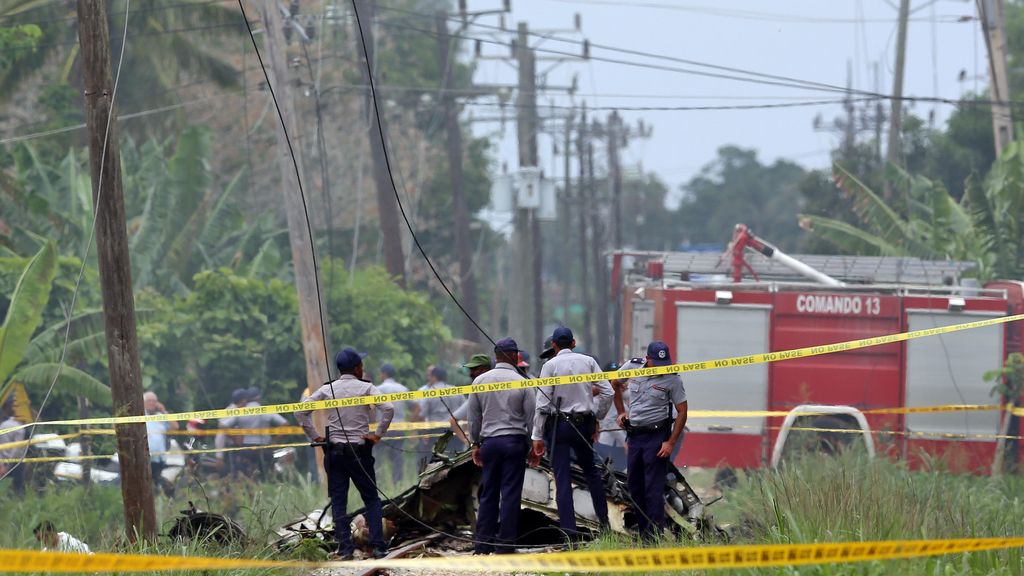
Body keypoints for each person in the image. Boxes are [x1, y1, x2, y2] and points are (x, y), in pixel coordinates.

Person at [296, 348, 394, 560]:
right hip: (360, 451)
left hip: (334, 453)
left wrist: (315, 436)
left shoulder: (328, 389)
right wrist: (377, 435)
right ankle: (378, 547)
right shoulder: (367, 388)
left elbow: (300, 411)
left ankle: (345, 550)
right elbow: (388, 409)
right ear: (358, 368)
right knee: (371, 499)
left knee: (339, 501)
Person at [531, 326, 613, 536]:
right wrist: (597, 416)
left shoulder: (549, 366)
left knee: (562, 478)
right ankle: (605, 525)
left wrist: (537, 436)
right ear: (574, 343)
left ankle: (569, 533)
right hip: (583, 425)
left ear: (554, 345)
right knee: (592, 474)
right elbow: (608, 391)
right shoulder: (588, 361)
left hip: (560, 427)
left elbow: (542, 405)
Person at [466, 338, 537, 554]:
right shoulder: (522, 382)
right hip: (514, 443)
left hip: (490, 443)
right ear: (516, 356)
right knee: (510, 494)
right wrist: (534, 444)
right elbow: (531, 416)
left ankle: (482, 545)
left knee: (488, 493)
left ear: (495, 356)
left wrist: (475, 443)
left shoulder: (479, 382)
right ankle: (505, 546)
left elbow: (474, 417)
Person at [613, 341, 688, 541]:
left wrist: (670, 442)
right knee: (634, 487)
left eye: (664, 362)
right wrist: (621, 412)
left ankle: (655, 536)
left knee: (652, 489)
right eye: (657, 362)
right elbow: (615, 384)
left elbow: (682, 411)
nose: (661, 366)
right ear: (647, 359)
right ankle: (645, 532)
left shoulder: (672, 379)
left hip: (657, 437)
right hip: (635, 436)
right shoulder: (632, 367)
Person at [222, 387, 289, 478]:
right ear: (259, 397)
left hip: (246, 449)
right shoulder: (266, 410)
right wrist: (275, 440)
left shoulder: (242, 411)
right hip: (265, 448)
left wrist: (234, 438)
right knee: (265, 476)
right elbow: (285, 424)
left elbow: (223, 426)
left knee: (246, 476)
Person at [595, 358, 643, 471]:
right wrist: (624, 443)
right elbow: (610, 422)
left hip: (619, 444)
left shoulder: (623, 392)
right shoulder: (606, 395)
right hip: (610, 445)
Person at [417, 365, 465, 460]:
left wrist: (424, 433)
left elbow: (422, 415)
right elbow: (466, 411)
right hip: (455, 431)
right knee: (454, 459)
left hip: (436, 433)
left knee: (435, 461)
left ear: (434, 377)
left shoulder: (429, 393)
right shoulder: (456, 391)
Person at [376, 363, 411, 484]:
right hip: (399, 428)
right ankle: (397, 482)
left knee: (378, 457)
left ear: (384, 374)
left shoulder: (378, 390)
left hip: (382, 429)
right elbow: (416, 407)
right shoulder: (402, 389)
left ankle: (379, 482)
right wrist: (411, 422)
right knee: (397, 457)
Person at [144, 391, 178, 489]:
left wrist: (164, 410)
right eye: (149, 401)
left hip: (159, 458)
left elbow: (175, 427)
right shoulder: (140, 416)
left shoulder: (161, 416)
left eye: (154, 401)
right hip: (145, 457)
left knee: (157, 485)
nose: (151, 403)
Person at [215, 388, 248, 475]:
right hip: (229, 449)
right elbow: (221, 429)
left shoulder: (237, 410)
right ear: (243, 400)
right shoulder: (232, 411)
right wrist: (219, 457)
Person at [0, 397, 27, 492]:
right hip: (15, 462)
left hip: (2, 461)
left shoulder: (3, 425)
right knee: (17, 487)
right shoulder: (19, 427)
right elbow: (16, 448)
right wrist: (7, 464)